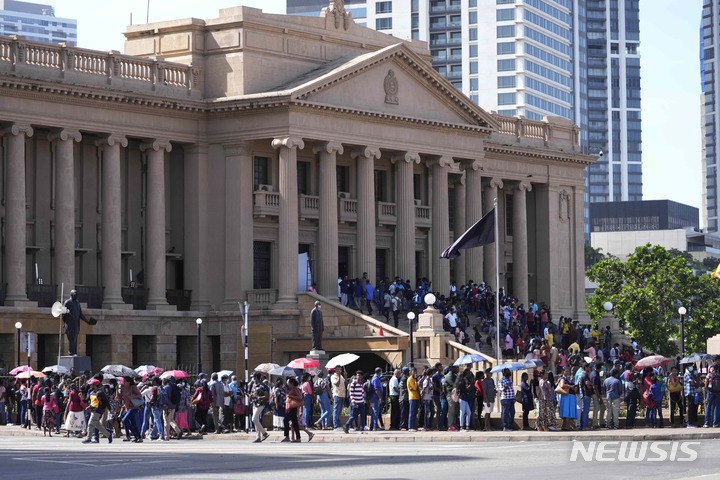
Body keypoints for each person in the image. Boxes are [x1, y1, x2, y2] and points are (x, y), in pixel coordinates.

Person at [62, 289, 92, 356]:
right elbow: (63, 314)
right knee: (71, 339)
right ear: (71, 295)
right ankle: (71, 353)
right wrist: (65, 323)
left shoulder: (77, 303)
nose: (76, 296)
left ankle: (74, 352)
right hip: (69, 325)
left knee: (75, 339)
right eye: (75, 295)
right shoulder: (67, 302)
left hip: (76, 324)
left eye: (77, 295)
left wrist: (87, 321)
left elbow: (80, 315)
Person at [83, 379, 113, 444]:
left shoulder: (100, 393)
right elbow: (88, 401)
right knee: (98, 426)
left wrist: (110, 410)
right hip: (93, 410)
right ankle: (108, 435)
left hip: (98, 411)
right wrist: (82, 398)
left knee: (90, 424)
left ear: (95, 385)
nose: (90, 385)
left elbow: (106, 402)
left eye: (92, 384)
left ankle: (88, 438)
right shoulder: (92, 392)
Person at [119, 376, 143, 443]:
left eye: (125, 381)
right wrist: (117, 389)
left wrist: (132, 396)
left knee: (124, 420)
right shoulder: (123, 389)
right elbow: (119, 398)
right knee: (133, 423)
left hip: (134, 407)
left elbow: (139, 395)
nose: (124, 383)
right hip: (127, 407)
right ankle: (138, 437)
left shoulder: (133, 387)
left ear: (129, 382)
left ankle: (134, 436)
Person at [249, 372, 270, 443]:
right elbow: (252, 394)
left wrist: (258, 397)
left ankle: (264, 433)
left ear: (256, 378)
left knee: (254, 419)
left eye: (253, 377)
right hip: (254, 404)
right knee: (256, 420)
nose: (252, 379)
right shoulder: (253, 385)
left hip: (261, 404)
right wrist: (251, 397)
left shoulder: (262, 386)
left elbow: (267, 396)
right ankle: (258, 437)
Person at [282, 377, 302, 442]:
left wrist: (290, 396)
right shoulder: (292, 389)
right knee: (295, 423)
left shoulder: (295, 389)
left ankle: (287, 436)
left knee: (285, 420)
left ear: (292, 383)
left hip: (293, 408)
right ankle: (298, 438)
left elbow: (299, 397)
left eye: (289, 383)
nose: (289, 384)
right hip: (290, 408)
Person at [330, 365, 346, 431]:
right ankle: (335, 426)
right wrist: (339, 376)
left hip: (342, 395)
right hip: (337, 394)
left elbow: (346, 384)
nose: (340, 370)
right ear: (335, 370)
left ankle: (338, 424)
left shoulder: (342, 376)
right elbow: (337, 384)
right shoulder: (333, 376)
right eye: (338, 369)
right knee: (336, 410)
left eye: (340, 369)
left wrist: (345, 375)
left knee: (339, 411)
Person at [481, 367, 496, 431]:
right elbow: (484, 391)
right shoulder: (485, 381)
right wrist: (487, 400)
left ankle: (489, 426)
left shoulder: (492, 380)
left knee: (489, 413)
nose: (490, 374)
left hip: (491, 398)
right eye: (489, 373)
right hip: (487, 400)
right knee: (487, 413)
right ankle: (485, 426)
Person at [407, 368, 420, 432]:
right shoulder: (410, 379)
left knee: (415, 412)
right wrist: (416, 382)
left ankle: (414, 426)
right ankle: (410, 426)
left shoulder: (414, 379)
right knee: (411, 412)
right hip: (412, 397)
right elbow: (414, 387)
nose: (415, 373)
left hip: (416, 397)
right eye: (413, 372)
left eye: (415, 371)